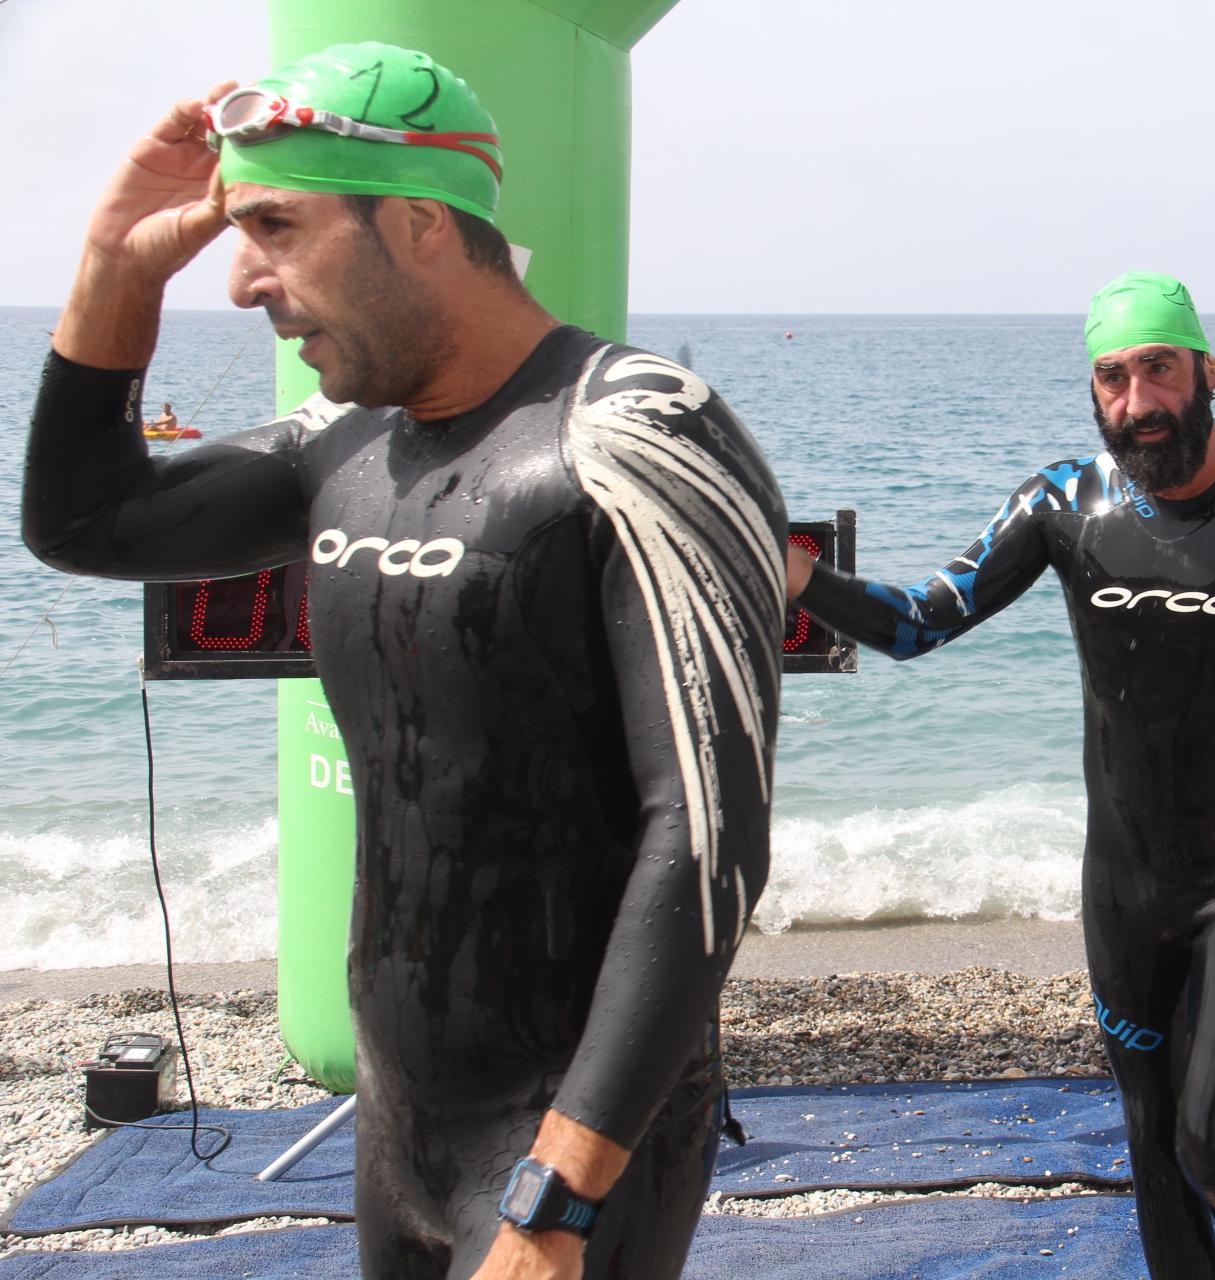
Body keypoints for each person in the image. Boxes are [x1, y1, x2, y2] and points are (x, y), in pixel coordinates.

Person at [22, 44, 786, 1280]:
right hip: (399, 1119)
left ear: (421, 222)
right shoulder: (344, 443)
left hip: (572, 1132)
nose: (241, 279)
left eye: (276, 225)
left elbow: (704, 840)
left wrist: (558, 1195)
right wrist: (116, 264)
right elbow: (83, 521)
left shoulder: (638, 434)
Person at [786, 271, 1215, 1280]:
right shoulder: (1062, 502)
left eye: (1159, 369)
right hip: (1122, 882)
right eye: (1113, 377)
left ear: (1207, 371)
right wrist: (801, 575)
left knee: (1213, 1147)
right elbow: (919, 621)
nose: (1137, 401)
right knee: (1153, 1144)